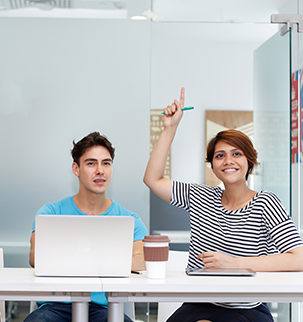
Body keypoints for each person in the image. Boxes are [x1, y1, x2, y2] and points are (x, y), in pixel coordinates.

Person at [143, 87, 303, 322]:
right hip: (199, 303)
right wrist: (170, 128)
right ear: (213, 165)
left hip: (246, 307)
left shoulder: (266, 203)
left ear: (250, 161)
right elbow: (152, 179)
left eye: (236, 154)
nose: (228, 161)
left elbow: (298, 258)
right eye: (220, 156)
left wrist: (234, 263)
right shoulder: (200, 197)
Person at [24, 131, 148, 322]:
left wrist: (82, 260)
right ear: (76, 168)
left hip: (105, 308)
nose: (100, 170)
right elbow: (36, 257)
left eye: (106, 163)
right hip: (55, 307)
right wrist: (107, 262)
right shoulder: (50, 213)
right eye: (91, 163)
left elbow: (142, 261)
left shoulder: (129, 219)